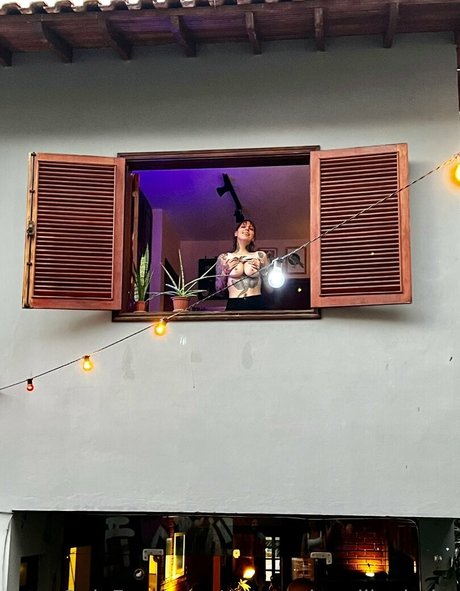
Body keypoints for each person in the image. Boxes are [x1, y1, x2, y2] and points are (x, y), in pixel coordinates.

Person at [216, 219, 269, 311]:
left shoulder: (260, 256)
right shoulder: (224, 258)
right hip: (234, 303)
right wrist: (225, 272)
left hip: (256, 302)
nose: (247, 229)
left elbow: (270, 288)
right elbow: (219, 291)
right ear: (236, 233)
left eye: (251, 229)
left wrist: (263, 271)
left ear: (253, 237)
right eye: (243, 226)